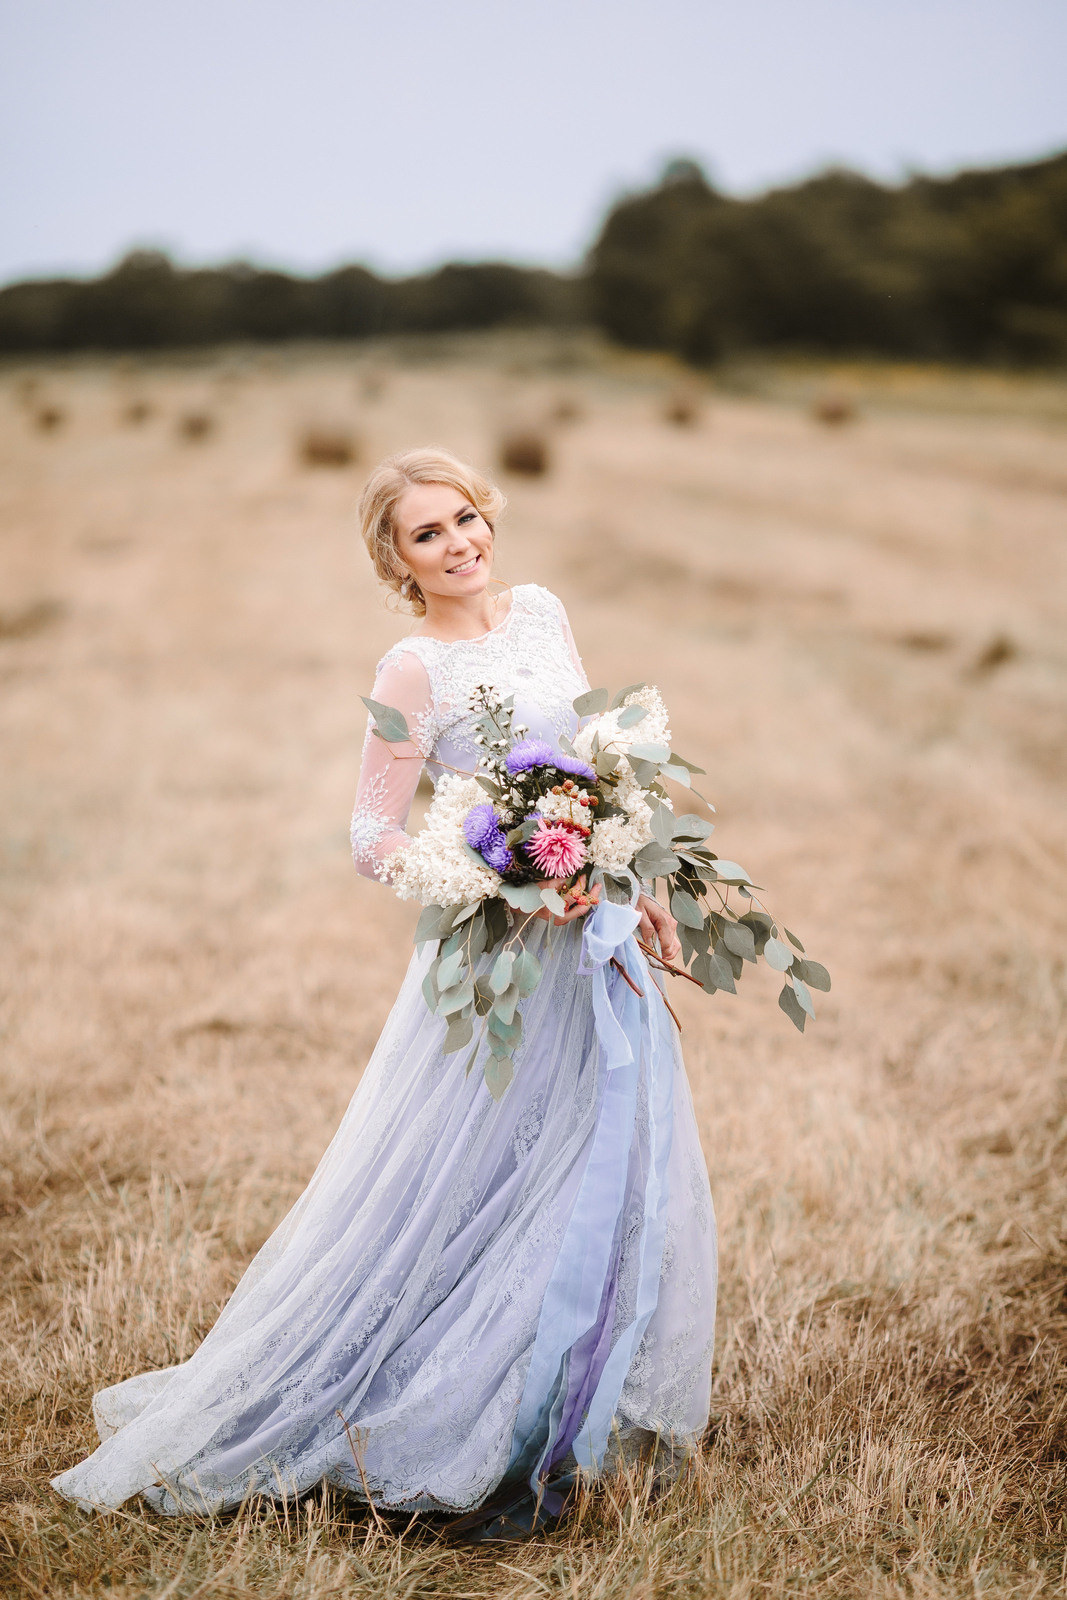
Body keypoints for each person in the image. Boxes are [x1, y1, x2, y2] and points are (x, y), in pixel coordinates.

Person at [52, 447, 716, 1539]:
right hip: (495, 956)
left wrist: (628, 878)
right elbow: (369, 836)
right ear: (394, 558)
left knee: (604, 1149)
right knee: (474, 1167)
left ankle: (576, 1392)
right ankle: (430, 1399)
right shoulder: (409, 669)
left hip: (591, 934)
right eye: (428, 534)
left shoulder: (541, 611)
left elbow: (592, 768)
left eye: (466, 519)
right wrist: (502, 876)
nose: (459, 545)